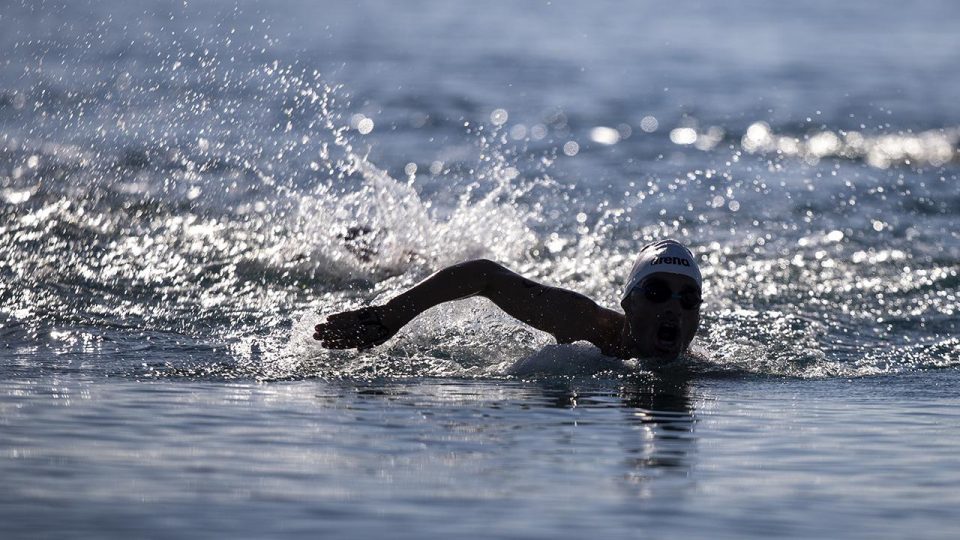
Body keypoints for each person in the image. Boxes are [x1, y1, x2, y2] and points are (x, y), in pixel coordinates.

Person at [313, 239, 703, 360]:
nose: (673, 306)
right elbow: (484, 275)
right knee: (394, 267)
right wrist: (390, 315)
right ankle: (382, 255)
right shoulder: (588, 326)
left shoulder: (713, 377)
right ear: (628, 304)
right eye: (656, 292)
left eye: (688, 298)